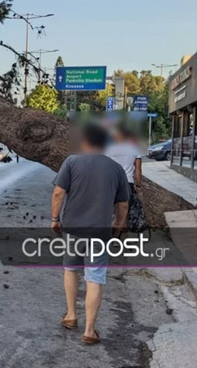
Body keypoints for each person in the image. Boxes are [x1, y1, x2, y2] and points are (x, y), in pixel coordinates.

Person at [50, 123, 130, 345]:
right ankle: (89, 331)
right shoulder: (116, 169)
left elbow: (58, 193)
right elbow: (123, 205)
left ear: (85, 141)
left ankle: (71, 316)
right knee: (94, 277)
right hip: (100, 232)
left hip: (73, 229)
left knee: (71, 270)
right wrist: (117, 225)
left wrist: (55, 219)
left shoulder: (72, 162)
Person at [106, 125, 146, 232]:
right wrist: (138, 185)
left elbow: (105, 166)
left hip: (112, 181)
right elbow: (138, 170)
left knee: (111, 208)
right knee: (123, 208)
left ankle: (113, 231)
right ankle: (119, 234)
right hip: (128, 182)